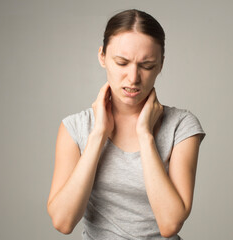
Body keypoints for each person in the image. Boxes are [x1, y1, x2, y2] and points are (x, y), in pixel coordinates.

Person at [47, 9, 205, 240]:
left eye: (147, 65)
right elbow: (63, 221)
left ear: (161, 64)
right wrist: (98, 134)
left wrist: (145, 136)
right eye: (122, 62)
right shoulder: (75, 127)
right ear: (102, 56)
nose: (133, 77)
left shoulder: (181, 126)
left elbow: (170, 224)